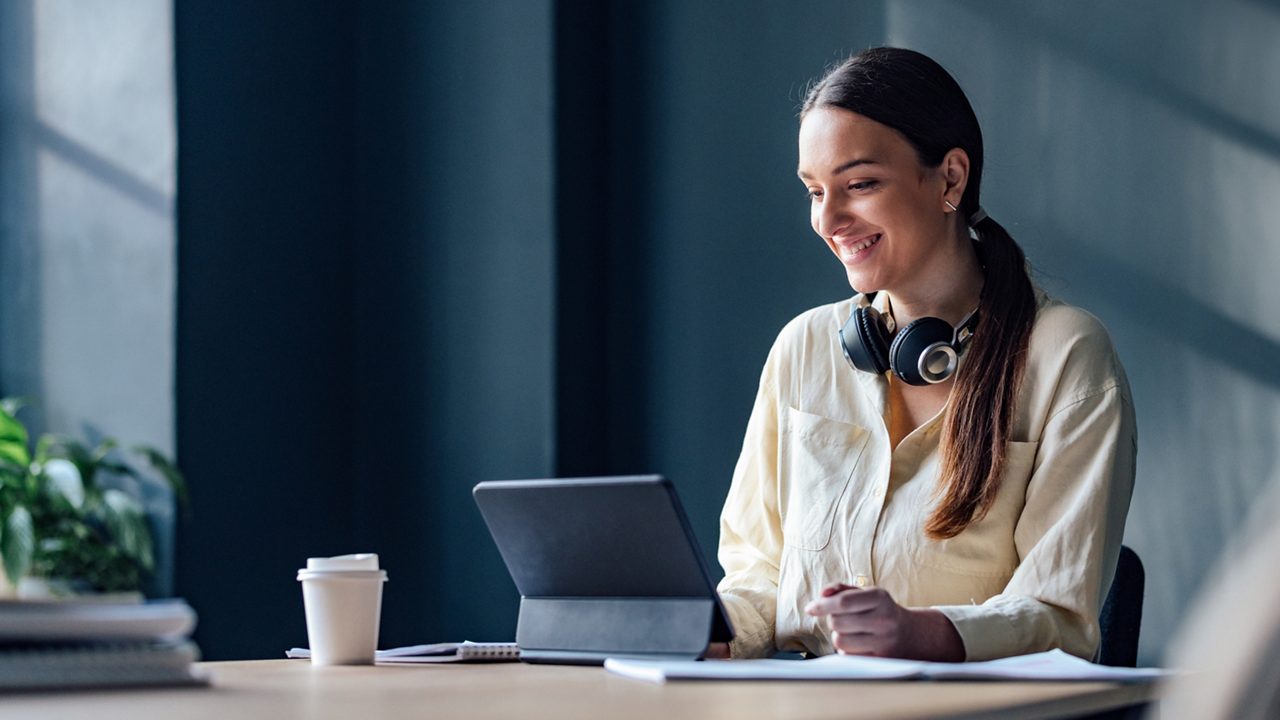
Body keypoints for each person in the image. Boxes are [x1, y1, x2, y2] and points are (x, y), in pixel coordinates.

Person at [708, 47, 1136, 662]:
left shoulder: (1067, 355)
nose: (828, 219)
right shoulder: (803, 348)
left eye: (860, 184)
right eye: (813, 191)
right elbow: (756, 577)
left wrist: (926, 634)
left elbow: (1060, 616)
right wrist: (703, 629)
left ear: (950, 179)